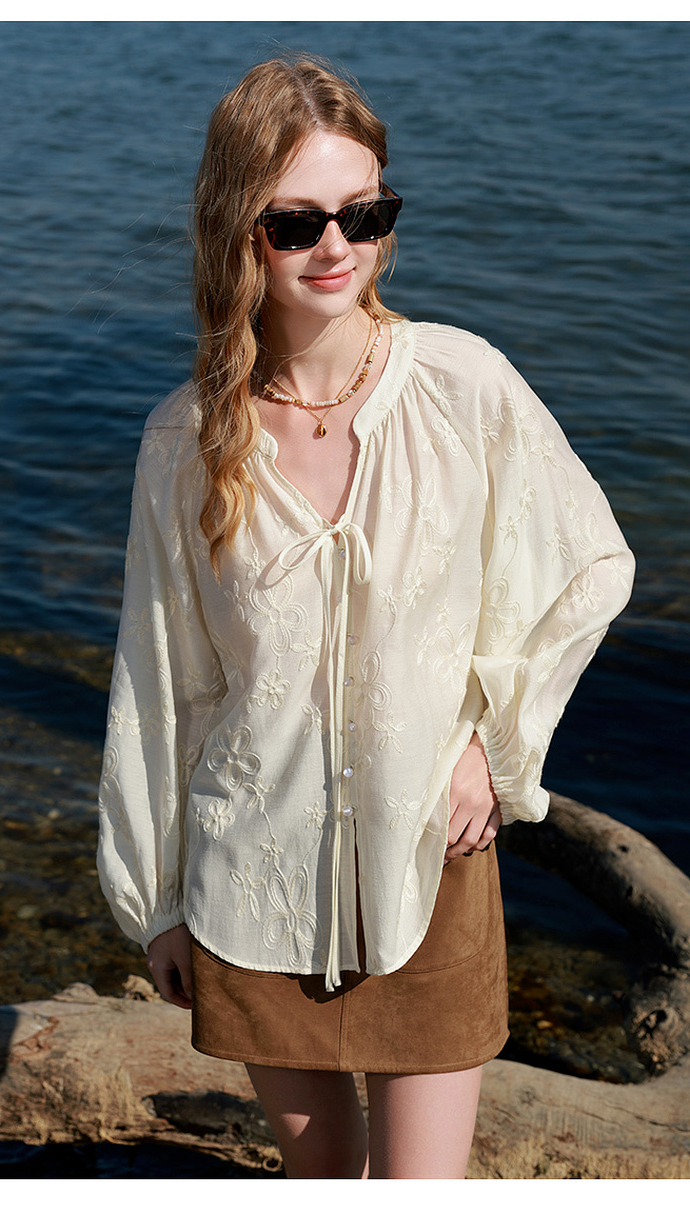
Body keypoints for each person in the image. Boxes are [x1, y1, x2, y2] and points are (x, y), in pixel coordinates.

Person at [97, 55, 635, 1179]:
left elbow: (588, 567)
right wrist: (155, 901)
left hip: (429, 868)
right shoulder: (183, 442)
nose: (337, 246)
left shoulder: (465, 387)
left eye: (366, 212)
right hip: (250, 885)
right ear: (237, 229)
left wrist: (494, 744)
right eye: (297, 223)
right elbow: (162, 681)